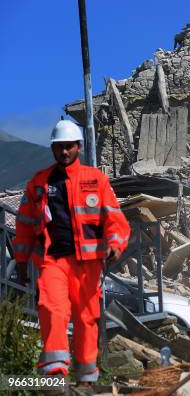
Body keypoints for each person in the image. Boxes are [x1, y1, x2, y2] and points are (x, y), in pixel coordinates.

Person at [13, 119, 130, 385]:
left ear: (78, 147)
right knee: (51, 309)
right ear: (53, 149)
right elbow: (24, 224)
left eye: (68, 147)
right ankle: (55, 373)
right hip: (52, 261)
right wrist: (20, 260)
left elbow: (115, 219)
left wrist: (115, 244)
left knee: (86, 318)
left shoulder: (96, 180)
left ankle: (86, 379)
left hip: (88, 264)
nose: (64, 152)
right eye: (58, 147)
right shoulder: (39, 184)